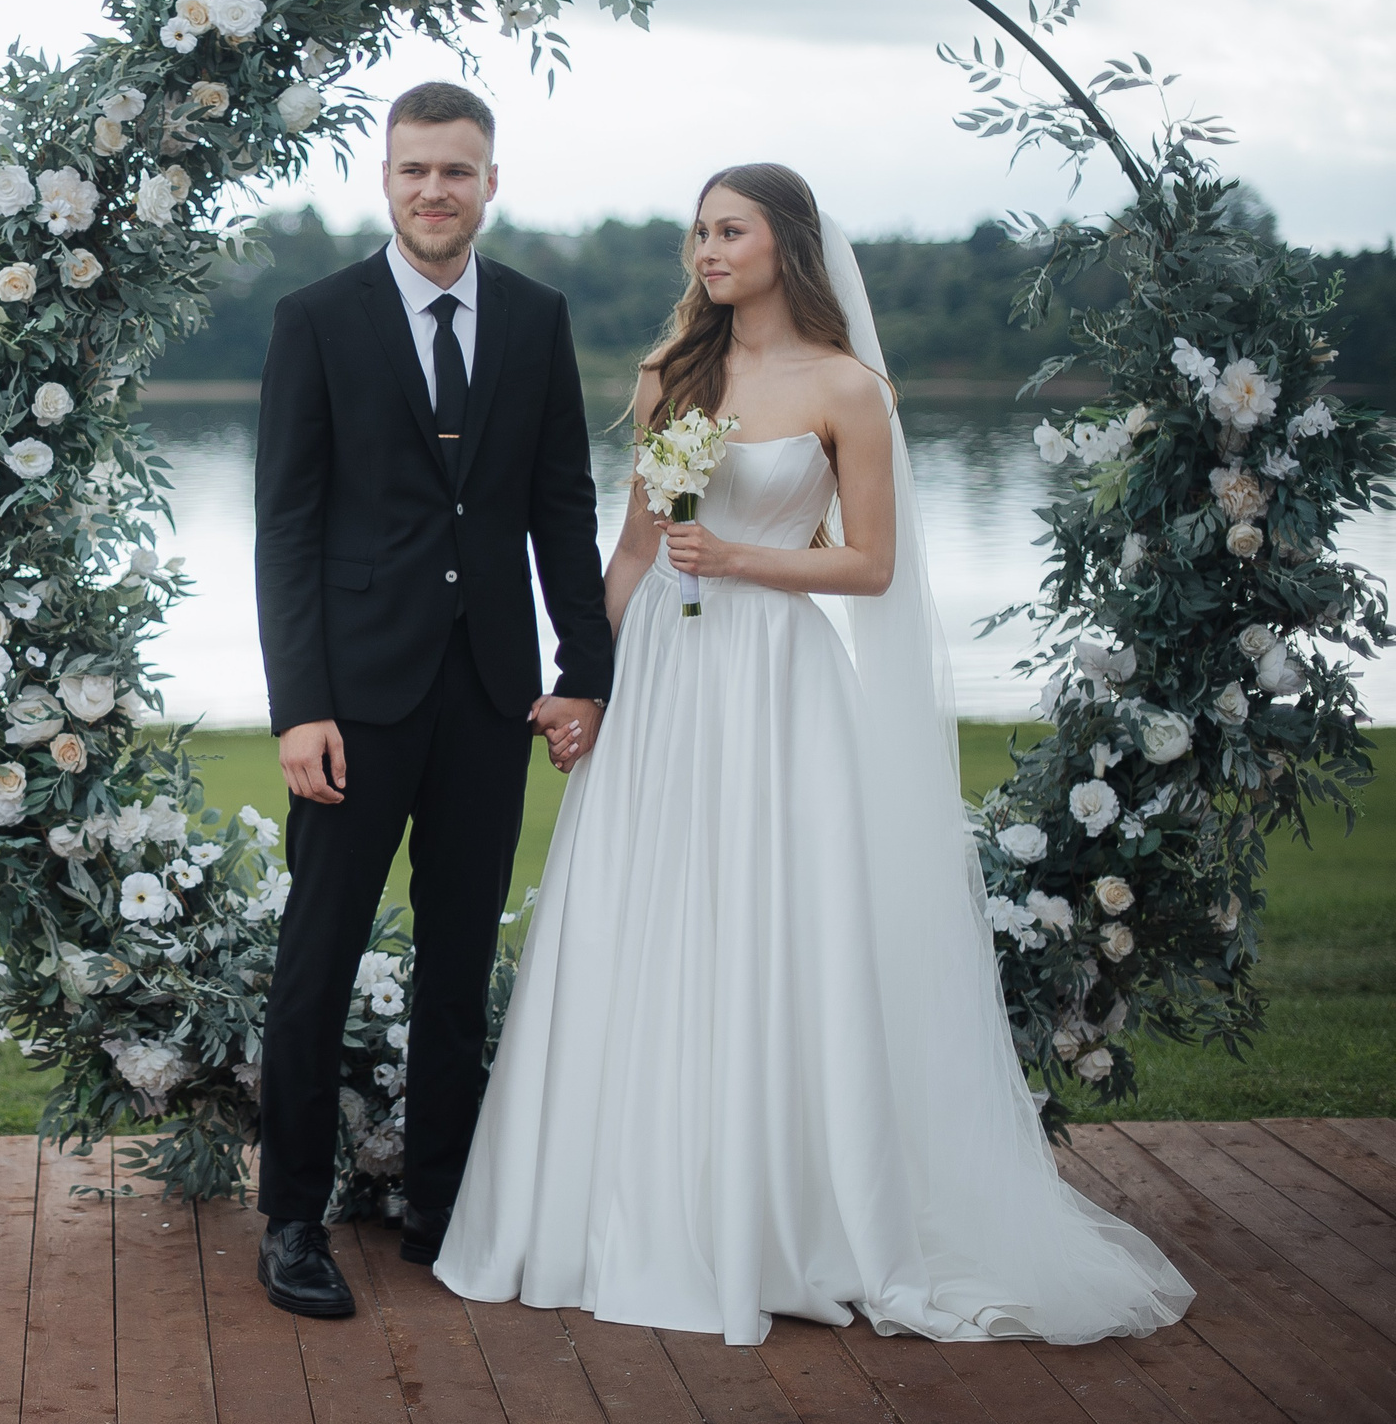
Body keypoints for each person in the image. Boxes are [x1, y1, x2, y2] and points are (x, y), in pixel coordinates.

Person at [434, 163, 1194, 1344]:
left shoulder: (850, 387)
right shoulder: (669, 375)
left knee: (771, 920)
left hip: (776, 680)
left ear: (785, 244)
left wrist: (743, 560)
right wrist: (590, 682)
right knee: (641, 916)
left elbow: (871, 564)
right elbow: (630, 551)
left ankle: (784, 1215)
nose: (705, 250)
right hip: (667, 686)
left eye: (727, 230)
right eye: (696, 231)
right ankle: (610, 1208)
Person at [251, 81, 614, 1319]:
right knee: (318, 964)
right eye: (413, 170)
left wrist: (584, 672)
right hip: (352, 702)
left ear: (490, 182)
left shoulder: (534, 316)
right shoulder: (317, 319)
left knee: (459, 970)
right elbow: (285, 529)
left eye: (456, 170)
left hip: (489, 696)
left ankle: (441, 1206)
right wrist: (298, 704)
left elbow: (562, 504)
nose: (433, 190)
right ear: (386, 177)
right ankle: (290, 1217)